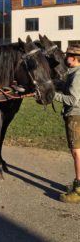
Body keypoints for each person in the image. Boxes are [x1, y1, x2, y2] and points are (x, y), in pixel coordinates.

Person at [53, 44, 80, 203]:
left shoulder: (77, 76)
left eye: (67, 55)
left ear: (75, 58)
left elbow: (72, 99)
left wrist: (52, 95)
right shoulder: (75, 73)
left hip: (75, 117)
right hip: (76, 116)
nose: (65, 58)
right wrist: (56, 84)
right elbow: (69, 89)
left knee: (77, 152)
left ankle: (78, 189)